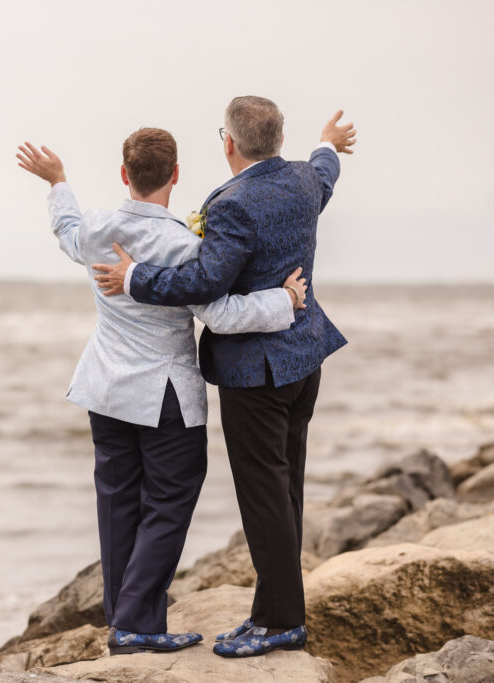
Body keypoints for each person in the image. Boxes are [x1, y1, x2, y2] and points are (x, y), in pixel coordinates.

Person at [16, 127, 307, 654]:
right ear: (175, 175)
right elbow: (218, 313)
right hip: (164, 393)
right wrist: (283, 302)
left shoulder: (98, 228)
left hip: (104, 388)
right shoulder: (182, 243)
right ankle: (135, 622)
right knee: (170, 500)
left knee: (118, 500)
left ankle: (130, 620)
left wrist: (57, 181)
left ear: (124, 175)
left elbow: (65, 229)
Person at [90, 97, 356, 658]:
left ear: (229, 143)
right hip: (305, 358)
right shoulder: (307, 180)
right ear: (278, 140)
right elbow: (327, 169)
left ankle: (282, 620)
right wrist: (330, 141)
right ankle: (273, 610)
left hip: (255, 372)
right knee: (285, 491)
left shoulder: (233, 203)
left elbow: (206, 282)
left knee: (265, 497)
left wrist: (135, 277)